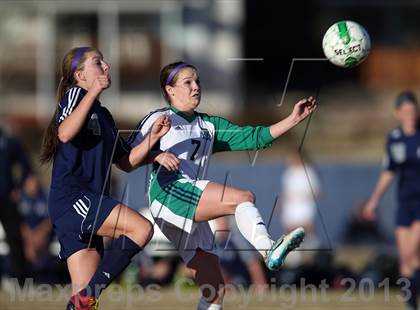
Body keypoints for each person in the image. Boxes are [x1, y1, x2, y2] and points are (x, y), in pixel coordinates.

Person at [127, 61, 316, 309]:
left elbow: (254, 137)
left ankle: (267, 252)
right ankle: (268, 248)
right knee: (242, 197)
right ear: (170, 90)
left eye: (197, 82)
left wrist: (292, 119)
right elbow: (126, 159)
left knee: (214, 291)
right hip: (169, 194)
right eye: (188, 82)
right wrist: (155, 153)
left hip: (187, 205)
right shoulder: (158, 119)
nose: (196, 87)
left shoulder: (209, 126)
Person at [40, 47, 172, 310]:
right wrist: (92, 93)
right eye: (97, 62)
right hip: (74, 200)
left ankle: (85, 298)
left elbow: (126, 162)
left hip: (87, 203)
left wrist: (153, 143)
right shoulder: (75, 95)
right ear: (80, 74)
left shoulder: (104, 115)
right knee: (141, 228)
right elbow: (64, 133)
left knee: (83, 304)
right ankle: (88, 295)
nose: (106, 66)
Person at [363, 91, 420, 310]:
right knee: (407, 261)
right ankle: (411, 304)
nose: (410, 115)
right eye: (405, 111)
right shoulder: (394, 138)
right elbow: (389, 171)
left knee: (409, 253)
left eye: (413, 110)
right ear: (398, 113)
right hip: (404, 203)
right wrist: (374, 200)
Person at [0, 124, 31, 285]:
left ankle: (21, 281)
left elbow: (25, 164)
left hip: (6, 198)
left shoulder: (9, 141)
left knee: (15, 239)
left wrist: (18, 188)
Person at [18, 174, 53, 273]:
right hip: (28, 236)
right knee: (29, 246)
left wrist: (39, 233)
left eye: (34, 182)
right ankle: (36, 272)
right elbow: (21, 222)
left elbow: (49, 220)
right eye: (30, 183)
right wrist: (29, 235)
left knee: (35, 245)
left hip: (43, 234)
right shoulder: (23, 199)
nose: (33, 185)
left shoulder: (45, 197)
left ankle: (39, 272)